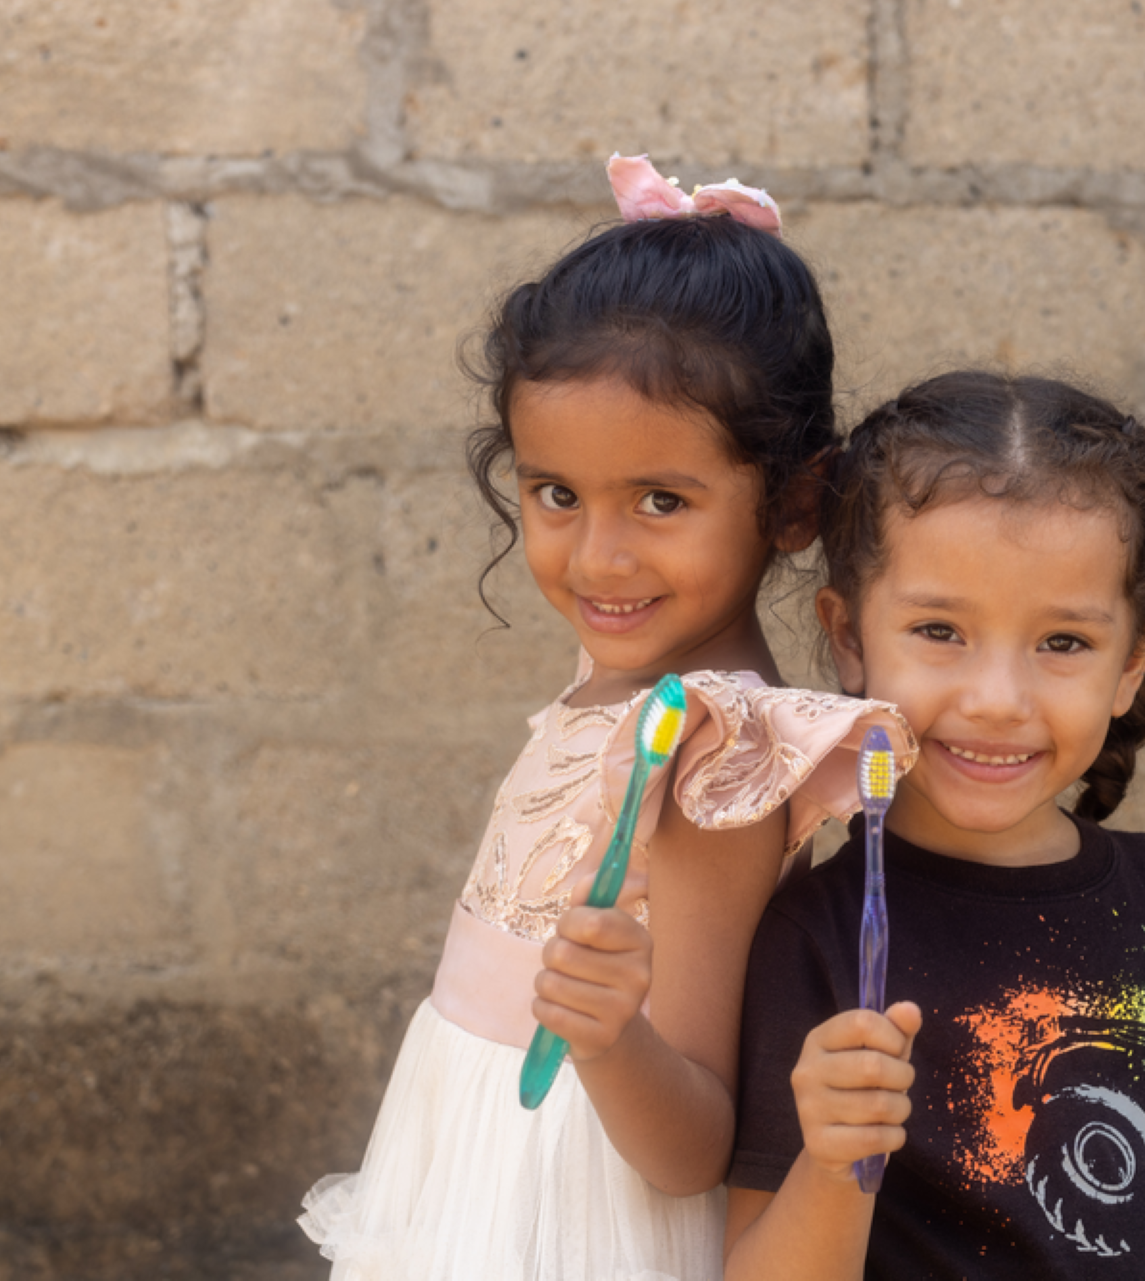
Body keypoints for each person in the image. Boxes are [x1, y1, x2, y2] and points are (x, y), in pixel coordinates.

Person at [299, 155, 913, 1281]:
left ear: (792, 504)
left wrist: (609, 1034)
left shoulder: (713, 760)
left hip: (575, 1218)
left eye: (662, 502)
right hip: (469, 1171)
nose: (599, 557)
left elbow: (694, 1149)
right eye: (556, 495)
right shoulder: (631, 661)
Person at [724, 372, 1145, 1279]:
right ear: (850, 636)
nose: (999, 701)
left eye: (1062, 643)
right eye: (939, 630)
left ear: (1133, 660)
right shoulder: (817, 938)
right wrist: (831, 1159)